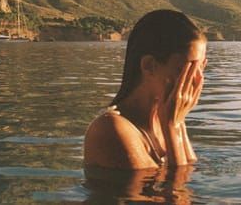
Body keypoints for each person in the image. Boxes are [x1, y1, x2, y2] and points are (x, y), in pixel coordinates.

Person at [84, 9, 207, 169]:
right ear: (149, 66)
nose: (198, 79)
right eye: (187, 69)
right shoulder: (111, 129)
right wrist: (172, 127)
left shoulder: (163, 120)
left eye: (202, 67)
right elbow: (179, 193)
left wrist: (178, 123)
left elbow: (190, 174)